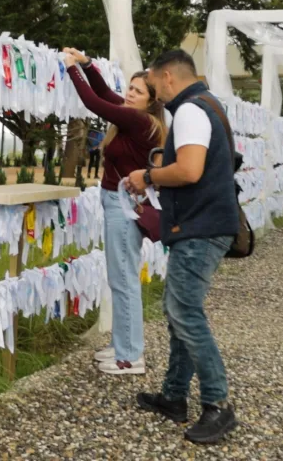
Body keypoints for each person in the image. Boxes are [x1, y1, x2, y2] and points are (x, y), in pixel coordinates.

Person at [125, 49, 238, 444]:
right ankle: (174, 396)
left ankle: (218, 405)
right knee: (178, 313)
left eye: (154, 85)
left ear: (168, 77)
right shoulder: (209, 104)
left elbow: (189, 170)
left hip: (200, 226)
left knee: (184, 312)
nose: (154, 94)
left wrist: (148, 176)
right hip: (202, 224)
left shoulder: (190, 110)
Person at [63, 47, 167, 375]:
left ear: (151, 100)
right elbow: (107, 93)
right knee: (121, 278)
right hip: (119, 204)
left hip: (124, 209)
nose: (129, 94)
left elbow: (95, 102)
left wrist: (71, 70)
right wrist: (88, 64)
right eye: (130, 88)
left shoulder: (139, 121)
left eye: (137, 91)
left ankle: (130, 356)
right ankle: (124, 346)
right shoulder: (134, 115)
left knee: (123, 280)